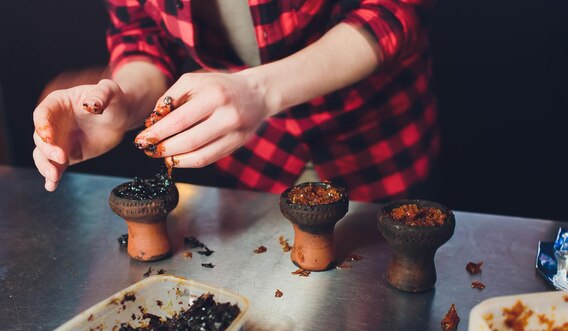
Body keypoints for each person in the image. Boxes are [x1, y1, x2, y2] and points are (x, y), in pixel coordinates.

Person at [32, 0, 440, 202]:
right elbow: (141, 32)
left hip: (376, 141)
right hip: (252, 158)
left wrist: (259, 90)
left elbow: (396, 8)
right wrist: (123, 101)